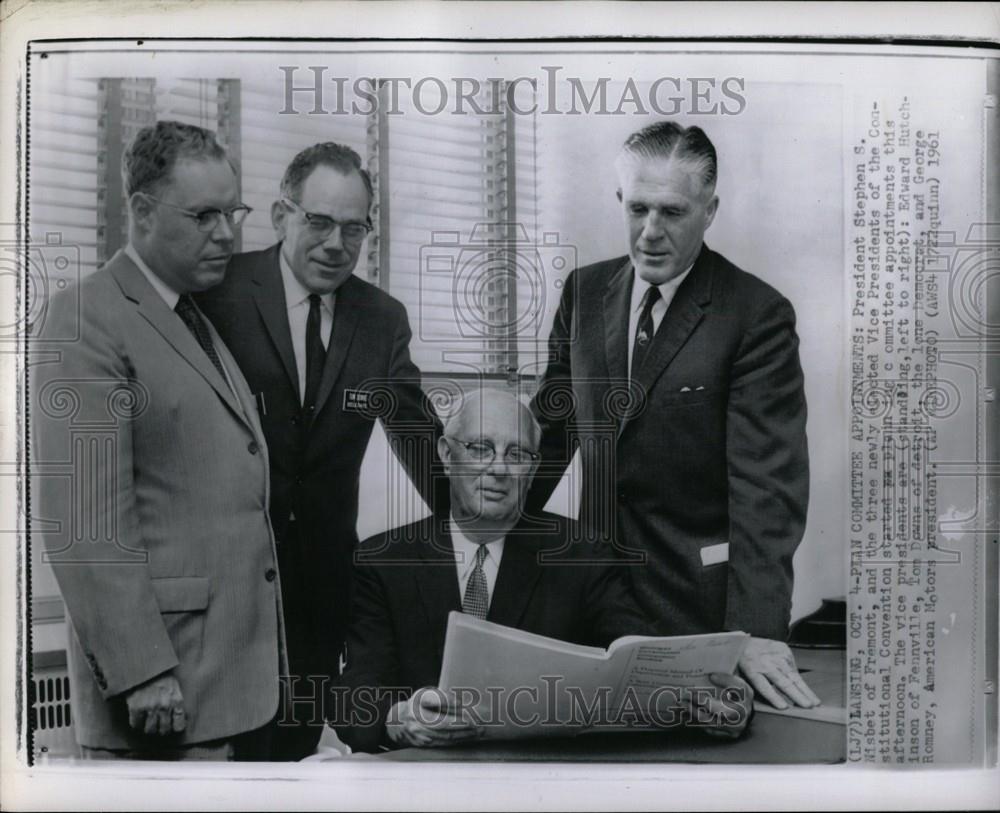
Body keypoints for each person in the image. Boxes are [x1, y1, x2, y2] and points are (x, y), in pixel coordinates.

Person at [530, 121, 820, 710]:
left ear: (710, 211)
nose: (652, 232)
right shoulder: (583, 294)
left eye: (673, 211)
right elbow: (546, 442)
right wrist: (483, 550)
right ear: (619, 200)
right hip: (591, 605)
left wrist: (754, 632)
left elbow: (767, 490)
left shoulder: (756, 315)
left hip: (698, 613)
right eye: (638, 208)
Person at [31, 121, 284, 759]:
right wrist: (141, 670)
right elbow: (84, 524)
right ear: (142, 212)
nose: (228, 233)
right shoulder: (89, 316)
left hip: (216, 682)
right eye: (204, 216)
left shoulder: (192, 312)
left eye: (233, 212)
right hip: (159, 692)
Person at [196, 142, 442, 760]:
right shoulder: (217, 294)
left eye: (354, 228)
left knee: (293, 762)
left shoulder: (382, 319)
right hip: (224, 590)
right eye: (320, 222)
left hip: (321, 597)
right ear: (282, 216)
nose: (337, 243)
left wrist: (491, 519)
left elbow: (422, 442)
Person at [334, 390, 753, 753]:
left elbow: (637, 656)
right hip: (426, 780)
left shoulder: (581, 554)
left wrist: (712, 701)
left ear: (532, 469)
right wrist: (398, 717)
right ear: (446, 454)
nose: (498, 469)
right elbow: (354, 696)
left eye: (517, 454)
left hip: (543, 776)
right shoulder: (385, 560)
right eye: (480, 449)